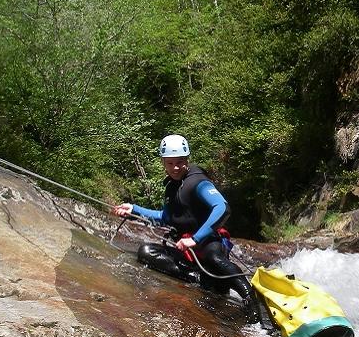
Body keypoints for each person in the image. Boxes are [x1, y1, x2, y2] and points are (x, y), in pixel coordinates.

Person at [113, 134, 267, 326]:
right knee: (146, 251)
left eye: (180, 162)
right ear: (163, 162)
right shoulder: (172, 186)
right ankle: (202, 280)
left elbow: (222, 207)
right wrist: (134, 209)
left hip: (209, 241)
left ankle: (249, 298)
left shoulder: (198, 182)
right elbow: (166, 217)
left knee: (214, 258)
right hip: (186, 250)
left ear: (187, 159)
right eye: (170, 163)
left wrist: (195, 238)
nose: (175, 168)